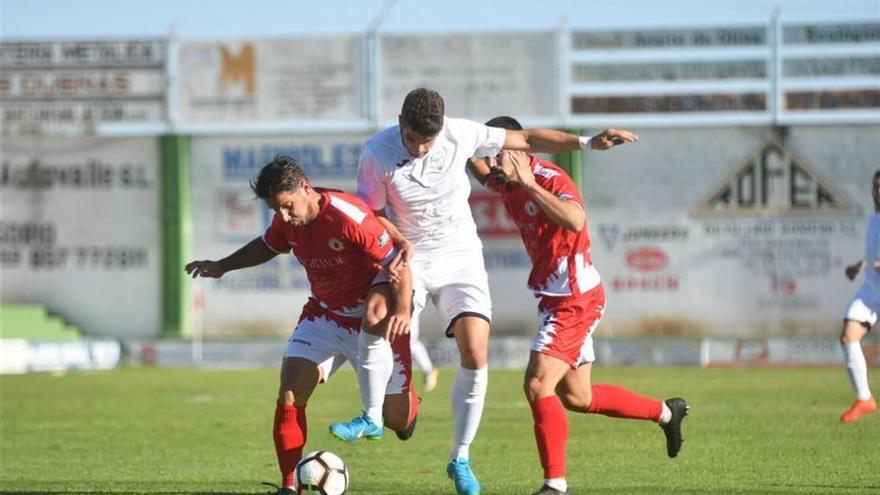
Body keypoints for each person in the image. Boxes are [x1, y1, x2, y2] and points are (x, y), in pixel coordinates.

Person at [330, 87, 638, 495]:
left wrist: (586, 142)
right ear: (400, 124)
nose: (421, 148)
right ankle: (370, 415)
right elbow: (374, 214)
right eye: (412, 138)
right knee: (376, 313)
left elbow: (526, 140)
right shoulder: (376, 154)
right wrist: (398, 250)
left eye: (429, 140)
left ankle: (461, 458)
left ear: (441, 129)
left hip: (461, 257)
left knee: (476, 352)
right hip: (411, 255)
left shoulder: (458, 134)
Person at [468, 116, 689, 495]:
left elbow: (574, 219)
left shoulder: (549, 179)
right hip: (556, 299)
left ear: (520, 150)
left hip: (575, 299)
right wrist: (454, 141)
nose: (491, 162)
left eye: (497, 151)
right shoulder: (506, 181)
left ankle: (555, 485)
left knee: (537, 384)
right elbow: (477, 167)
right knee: (578, 397)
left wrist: (531, 184)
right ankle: (668, 412)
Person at [184, 156, 419, 495]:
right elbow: (268, 246)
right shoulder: (288, 222)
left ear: (305, 188)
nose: (283, 216)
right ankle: (289, 485)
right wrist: (223, 265)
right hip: (323, 316)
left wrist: (403, 309)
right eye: (276, 210)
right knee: (290, 392)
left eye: (287, 206)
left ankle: (407, 407)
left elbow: (397, 263)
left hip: (372, 319)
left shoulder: (349, 216)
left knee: (396, 418)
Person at [839, 170, 880, 423]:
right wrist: (861, 264)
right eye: (876, 185)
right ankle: (864, 399)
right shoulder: (873, 219)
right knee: (848, 335)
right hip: (872, 290)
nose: (879, 190)